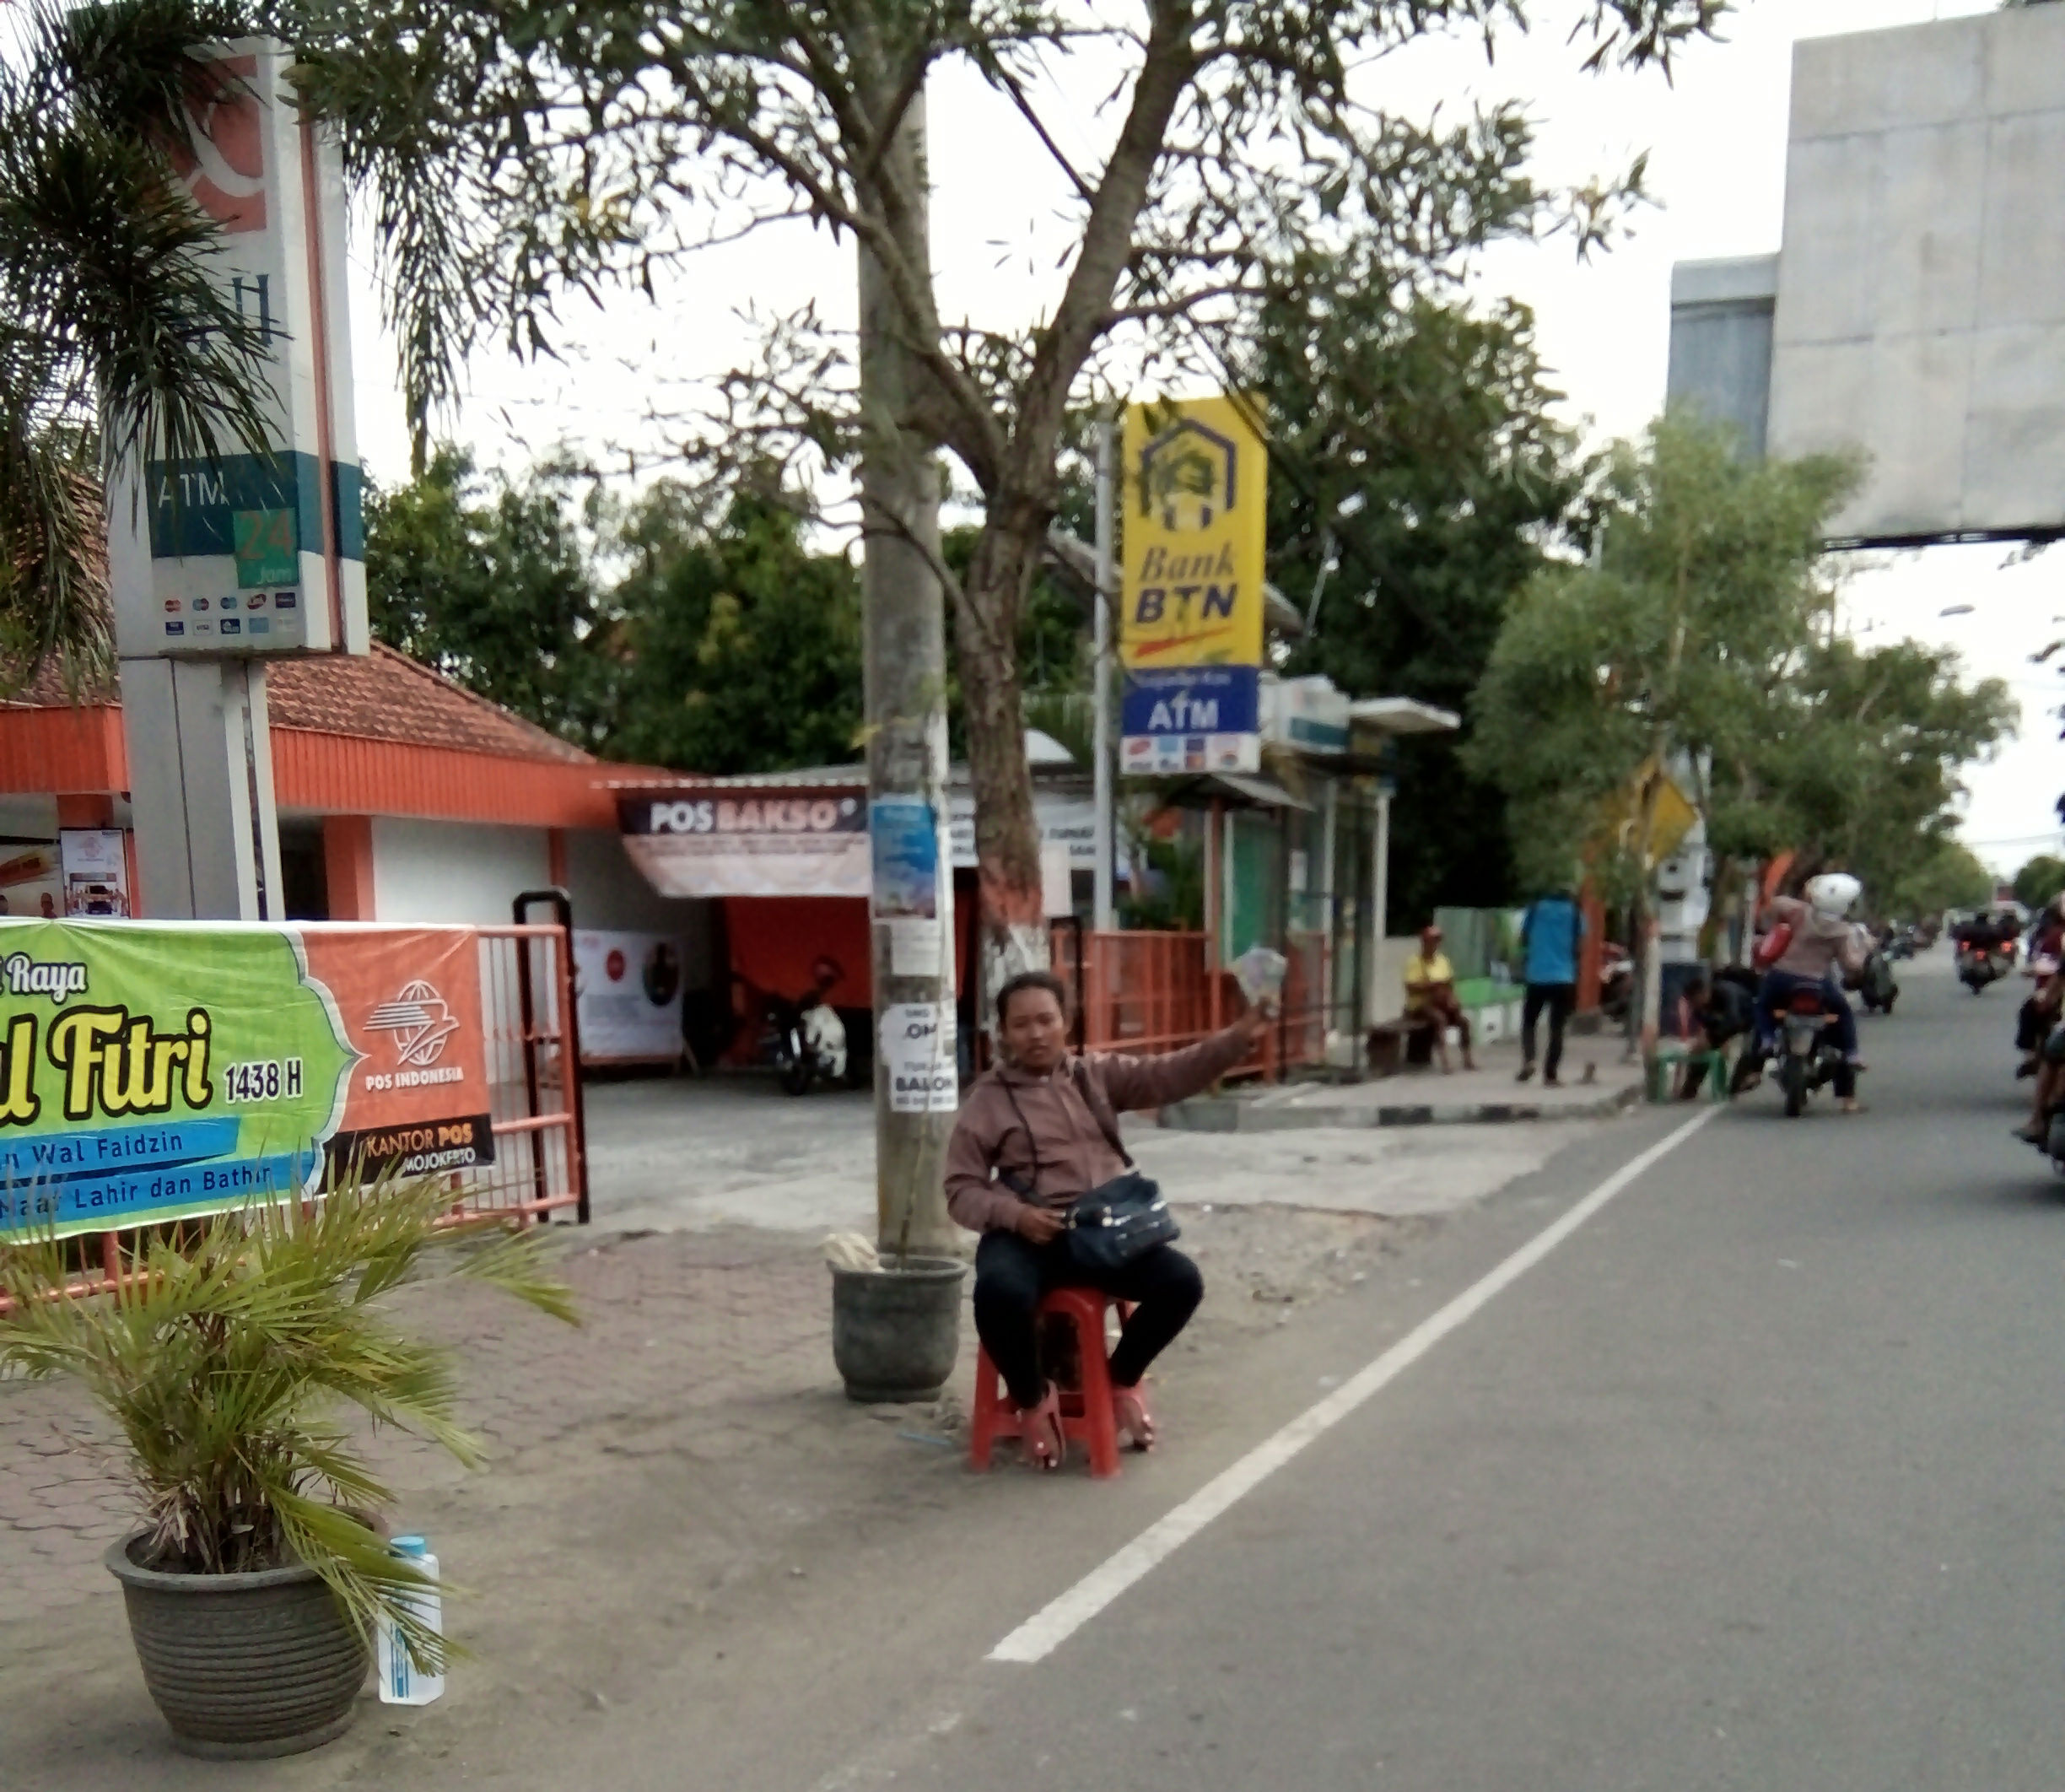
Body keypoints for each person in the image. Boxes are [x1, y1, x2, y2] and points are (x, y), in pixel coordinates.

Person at [945, 971, 1273, 1471]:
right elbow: (960, 1189)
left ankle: (1118, 1380)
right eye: (1021, 1025)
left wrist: (1236, 1040)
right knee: (997, 1296)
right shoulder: (986, 1101)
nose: (1035, 1034)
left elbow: (1170, 1073)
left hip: (1102, 1234)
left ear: (1065, 1022)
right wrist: (1015, 1215)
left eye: (1045, 1020)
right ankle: (1034, 1399)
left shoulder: (1094, 1076)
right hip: (1028, 1234)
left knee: (1181, 1282)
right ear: (1003, 1034)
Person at [1754, 872, 1872, 1112]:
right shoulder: (1842, 931)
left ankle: (1766, 1039)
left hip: (1782, 977)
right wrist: (1865, 950)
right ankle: (1852, 1054)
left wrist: (1775, 924)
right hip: (1817, 983)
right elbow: (1851, 965)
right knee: (1843, 1012)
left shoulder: (1799, 912)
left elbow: (1776, 904)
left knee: (1762, 1005)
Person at [1515, 888, 1585, 1087]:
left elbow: (1523, 938)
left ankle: (1529, 1059)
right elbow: (1579, 947)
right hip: (1564, 977)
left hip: (1537, 975)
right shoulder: (1575, 913)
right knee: (1557, 1028)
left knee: (1529, 1022)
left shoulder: (1535, 909)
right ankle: (1551, 1074)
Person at [1403, 923, 1475, 1073]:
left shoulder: (1442, 961)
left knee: (1464, 1021)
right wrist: (1432, 987)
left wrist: (1452, 998)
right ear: (1424, 942)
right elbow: (1411, 987)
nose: (1435, 944)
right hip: (1420, 1004)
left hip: (1442, 1002)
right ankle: (1445, 1061)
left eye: (1437, 941)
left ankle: (1468, 1059)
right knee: (1439, 1019)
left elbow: (1450, 984)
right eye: (1431, 941)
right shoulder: (1414, 962)